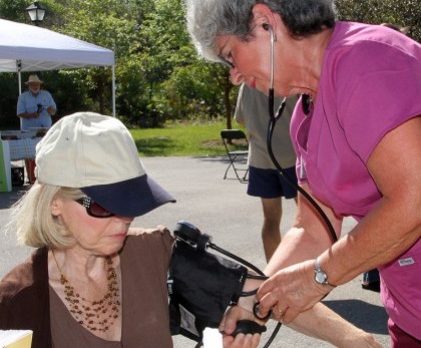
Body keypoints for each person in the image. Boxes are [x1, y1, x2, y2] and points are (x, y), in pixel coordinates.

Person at [185, 0, 421, 347]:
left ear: (265, 22)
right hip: (409, 316)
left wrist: (321, 275)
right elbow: (311, 229)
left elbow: (414, 198)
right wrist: (252, 299)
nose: (233, 75)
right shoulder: (303, 117)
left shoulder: (366, 61)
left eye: (230, 55)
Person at [0, 112, 177, 348]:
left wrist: (241, 309)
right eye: (104, 206)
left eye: (131, 199)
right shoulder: (18, 302)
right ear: (55, 202)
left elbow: (233, 283)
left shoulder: (153, 249)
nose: (125, 217)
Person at [234, 84, 298, 261]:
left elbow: (240, 118)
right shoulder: (288, 76)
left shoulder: (246, 84)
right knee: (308, 217)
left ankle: (273, 271)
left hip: (261, 158)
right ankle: (309, 269)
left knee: (270, 219)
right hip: (292, 155)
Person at [16, 74, 57, 184]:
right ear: (29, 85)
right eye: (33, 84)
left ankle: (46, 178)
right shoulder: (23, 97)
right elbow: (19, 113)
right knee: (28, 153)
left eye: (37, 84)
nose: (35, 86)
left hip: (45, 130)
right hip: (29, 131)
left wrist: (49, 110)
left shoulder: (47, 95)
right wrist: (31, 115)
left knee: (46, 153)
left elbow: (54, 111)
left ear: (40, 84)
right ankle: (30, 178)